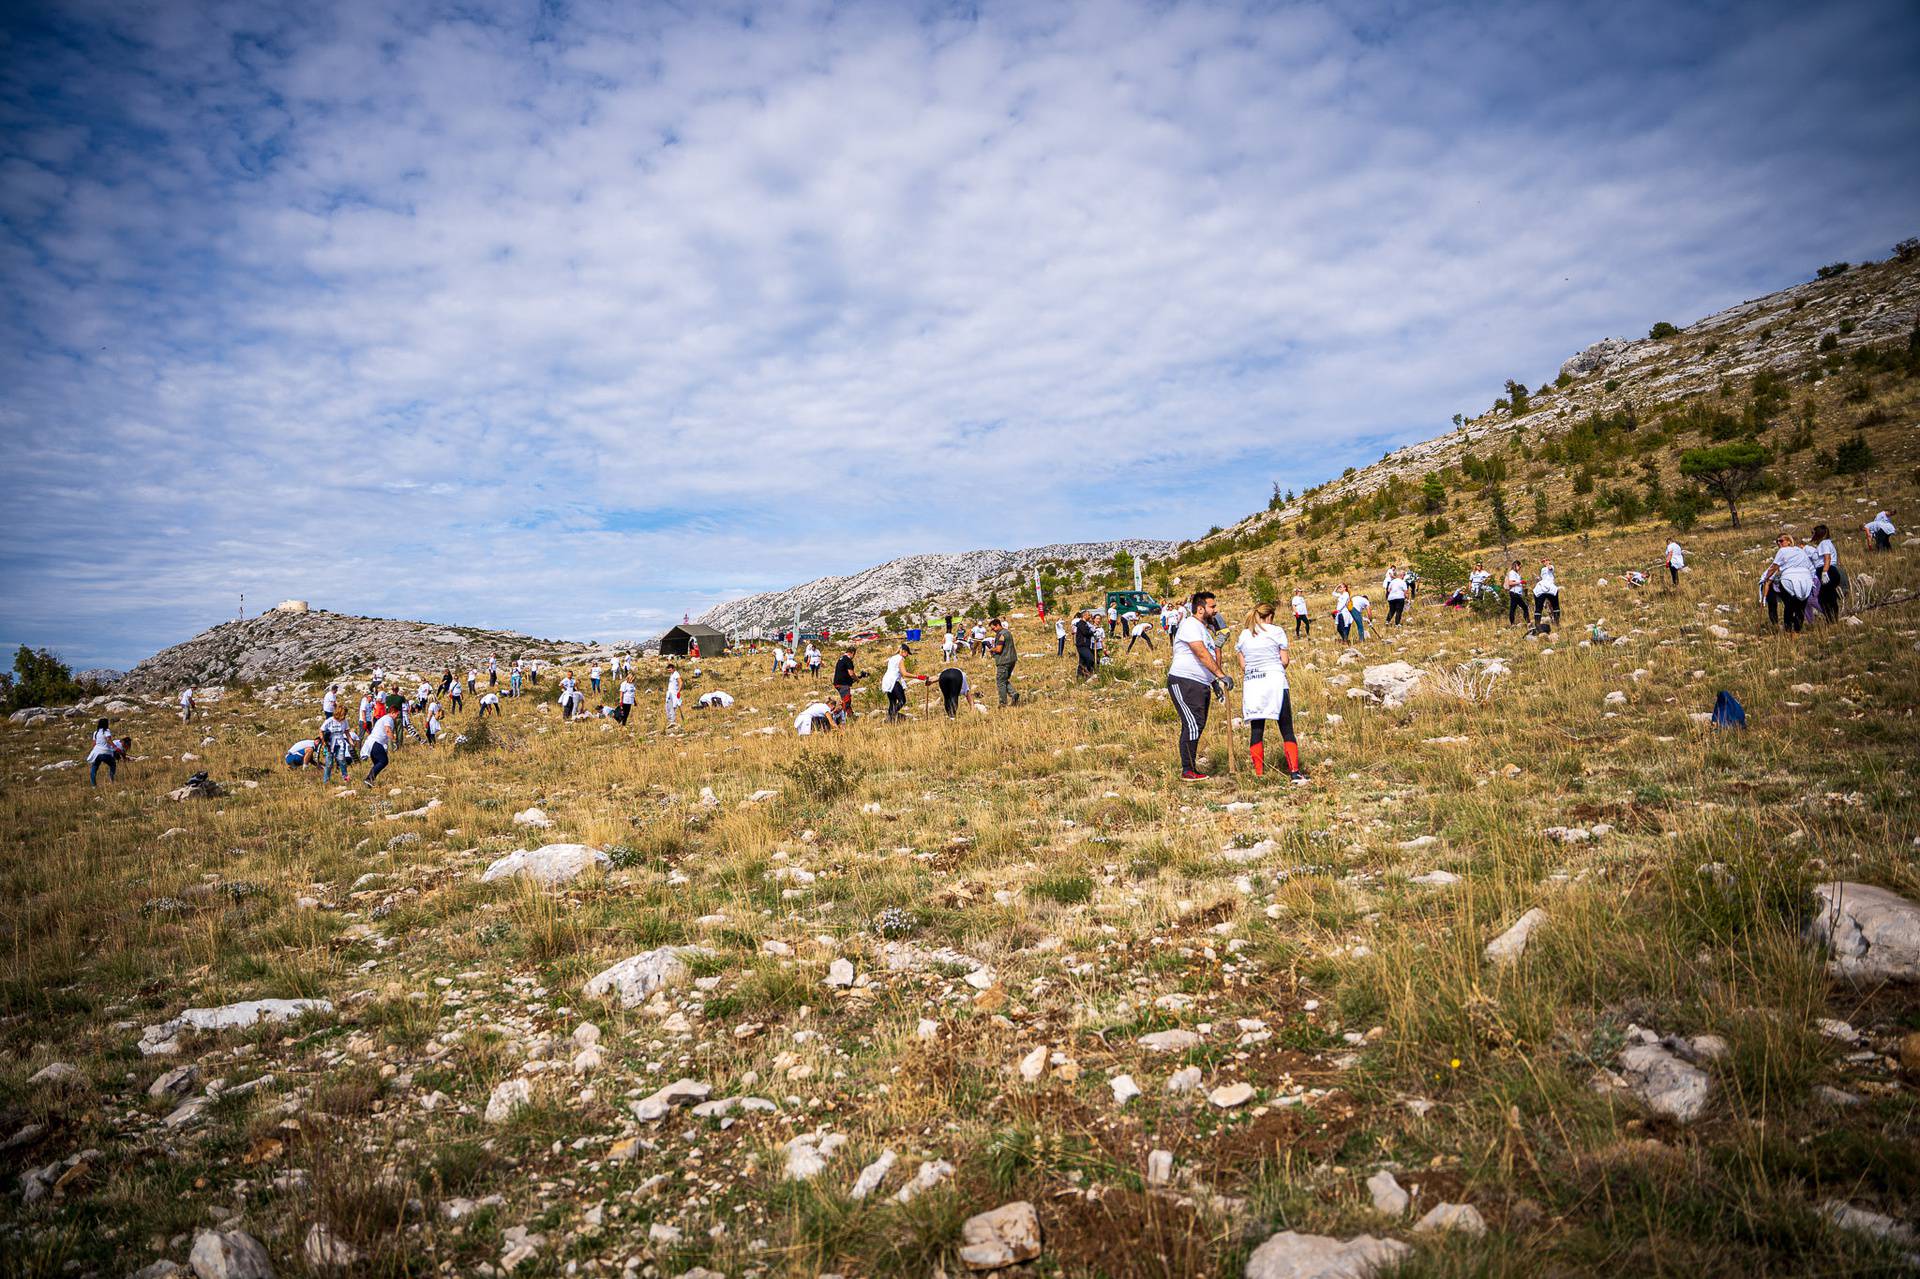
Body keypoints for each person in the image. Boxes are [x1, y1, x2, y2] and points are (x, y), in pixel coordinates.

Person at [1234, 602, 1306, 781]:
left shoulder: (1244, 634)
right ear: (1270, 616)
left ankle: (1259, 773)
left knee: (1257, 729)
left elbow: (1242, 665)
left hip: (1253, 684)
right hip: (1275, 682)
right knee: (1286, 728)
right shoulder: (1276, 631)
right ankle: (1294, 772)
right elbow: (1284, 660)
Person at [1168, 591, 1229, 781]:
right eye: (1212, 607)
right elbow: (1201, 653)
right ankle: (1187, 770)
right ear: (1200, 609)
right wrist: (1221, 675)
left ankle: (1191, 767)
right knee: (1192, 724)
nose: (1216, 610)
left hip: (1200, 683)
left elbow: (1210, 656)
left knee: (1198, 724)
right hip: (1184, 680)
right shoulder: (1190, 624)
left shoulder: (1204, 631)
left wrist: (1214, 681)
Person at [1761, 532, 1816, 632]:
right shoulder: (1800, 551)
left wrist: (1766, 578)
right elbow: (1810, 566)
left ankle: (1789, 630)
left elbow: (1774, 566)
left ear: (1789, 541)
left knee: (1789, 606)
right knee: (1801, 606)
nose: (1779, 543)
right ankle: (1797, 631)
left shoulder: (1782, 551)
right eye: (1777, 541)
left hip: (1789, 579)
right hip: (1805, 578)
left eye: (1781, 541)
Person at [880, 644, 926, 720]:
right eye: (907, 653)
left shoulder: (893, 658)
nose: (907, 655)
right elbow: (904, 674)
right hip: (893, 680)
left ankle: (890, 719)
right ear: (904, 651)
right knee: (902, 700)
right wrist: (918, 677)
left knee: (892, 702)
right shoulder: (900, 659)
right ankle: (891, 716)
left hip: (886, 680)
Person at [1812, 523, 1847, 619]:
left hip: (1826, 570)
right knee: (1829, 596)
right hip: (1829, 570)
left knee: (1825, 597)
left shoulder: (1824, 543)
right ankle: (1832, 618)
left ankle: (1831, 619)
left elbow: (1827, 558)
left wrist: (1824, 572)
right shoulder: (1826, 543)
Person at [987, 617, 1018, 706]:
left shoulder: (1001, 635)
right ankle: (1014, 694)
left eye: (993, 628)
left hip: (1004, 661)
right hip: (1012, 659)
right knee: (1004, 679)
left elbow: (999, 649)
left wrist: (992, 649)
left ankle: (1003, 703)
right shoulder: (1008, 632)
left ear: (998, 625)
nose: (993, 630)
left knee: (1000, 681)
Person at [360, 709, 396, 786]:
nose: (397, 716)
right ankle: (369, 779)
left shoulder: (385, 718)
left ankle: (369, 781)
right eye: (397, 714)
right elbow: (387, 730)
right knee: (383, 761)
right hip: (375, 742)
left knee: (378, 762)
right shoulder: (388, 718)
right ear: (392, 712)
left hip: (375, 742)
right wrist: (394, 741)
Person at [321, 711, 353, 781]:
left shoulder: (345, 721)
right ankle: (326, 780)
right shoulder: (329, 721)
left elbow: (347, 733)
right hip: (330, 744)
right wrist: (323, 742)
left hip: (340, 743)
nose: (344, 716)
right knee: (329, 763)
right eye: (343, 714)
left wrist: (351, 742)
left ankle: (345, 778)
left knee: (342, 760)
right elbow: (321, 730)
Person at [88, 718, 118, 786]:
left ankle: (93, 785)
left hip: (96, 753)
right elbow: (109, 740)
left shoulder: (96, 733)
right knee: (112, 764)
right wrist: (115, 747)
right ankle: (111, 780)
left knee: (94, 768)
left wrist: (93, 752)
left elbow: (94, 743)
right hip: (105, 752)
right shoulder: (106, 731)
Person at [832, 647, 860, 718]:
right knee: (846, 701)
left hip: (837, 682)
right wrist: (857, 679)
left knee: (845, 700)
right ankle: (840, 717)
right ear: (853, 653)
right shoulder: (848, 660)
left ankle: (850, 715)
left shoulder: (841, 658)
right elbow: (851, 673)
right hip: (843, 684)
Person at [1073, 610, 1098, 680]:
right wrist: (1092, 632)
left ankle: (1079, 676)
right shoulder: (1081, 624)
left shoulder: (1085, 623)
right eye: (1089, 615)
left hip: (1085, 645)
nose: (1090, 616)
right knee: (1090, 658)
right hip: (1082, 645)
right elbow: (1085, 632)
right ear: (1085, 616)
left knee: (1082, 661)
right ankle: (1088, 673)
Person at [1505, 561, 1530, 626]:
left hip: (1516, 593)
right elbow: (1510, 583)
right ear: (1516, 565)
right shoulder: (1512, 573)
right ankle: (1528, 622)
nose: (1520, 568)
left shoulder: (1516, 573)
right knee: (1524, 607)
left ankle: (1512, 624)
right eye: (1519, 566)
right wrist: (1520, 582)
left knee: (1513, 608)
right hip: (1514, 592)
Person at [664, 664, 682, 728]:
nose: (669, 670)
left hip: (673, 693)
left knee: (671, 707)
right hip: (669, 693)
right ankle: (670, 721)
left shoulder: (676, 674)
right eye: (668, 669)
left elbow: (680, 682)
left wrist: (678, 691)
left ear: (673, 668)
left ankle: (672, 721)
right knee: (667, 707)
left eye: (670, 669)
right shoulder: (672, 675)